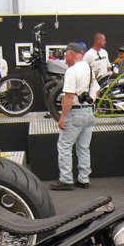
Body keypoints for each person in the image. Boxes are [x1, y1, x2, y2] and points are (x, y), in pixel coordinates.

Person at [50, 42, 98, 191]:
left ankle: (66, 179)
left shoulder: (71, 71)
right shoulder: (89, 68)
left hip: (75, 112)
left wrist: (62, 117)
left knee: (64, 146)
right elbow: (96, 91)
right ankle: (84, 179)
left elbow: (69, 97)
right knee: (84, 147)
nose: (65, 56)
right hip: (89, 111)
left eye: (66, 54)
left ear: (71, 53)